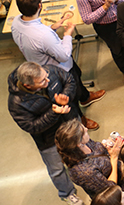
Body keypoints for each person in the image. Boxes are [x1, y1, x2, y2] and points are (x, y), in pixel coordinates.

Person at [12, 0, 104, 129]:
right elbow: (64, 55)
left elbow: (37, 39)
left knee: (77, 80)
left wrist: (51, 27)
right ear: (39, 6)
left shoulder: (16, 22)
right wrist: (67, 34)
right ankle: (81, 120)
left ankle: (85, 97)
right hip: (59, 70)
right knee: (68, 98)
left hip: (43, 62)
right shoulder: (43, 35)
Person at [8, 62, 84, 205]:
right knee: (57, 169)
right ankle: (67, 193)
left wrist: (65, 96)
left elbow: (69, 79)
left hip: (70, 122)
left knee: (82, 149)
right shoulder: (16, 103)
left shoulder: (49, 70)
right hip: (49, 139)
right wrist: (54, 113)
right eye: (42, 81)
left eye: (46, 76)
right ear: (28, 86)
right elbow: (32, 127)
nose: (48, 80)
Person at [54, 118, 124, 200]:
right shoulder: (83, 172)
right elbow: (110, 189)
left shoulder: (84, 144)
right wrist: (114, 158)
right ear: (78, 143)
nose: (87, 129)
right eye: (84, 132)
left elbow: (95, 149)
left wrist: (106, 144)